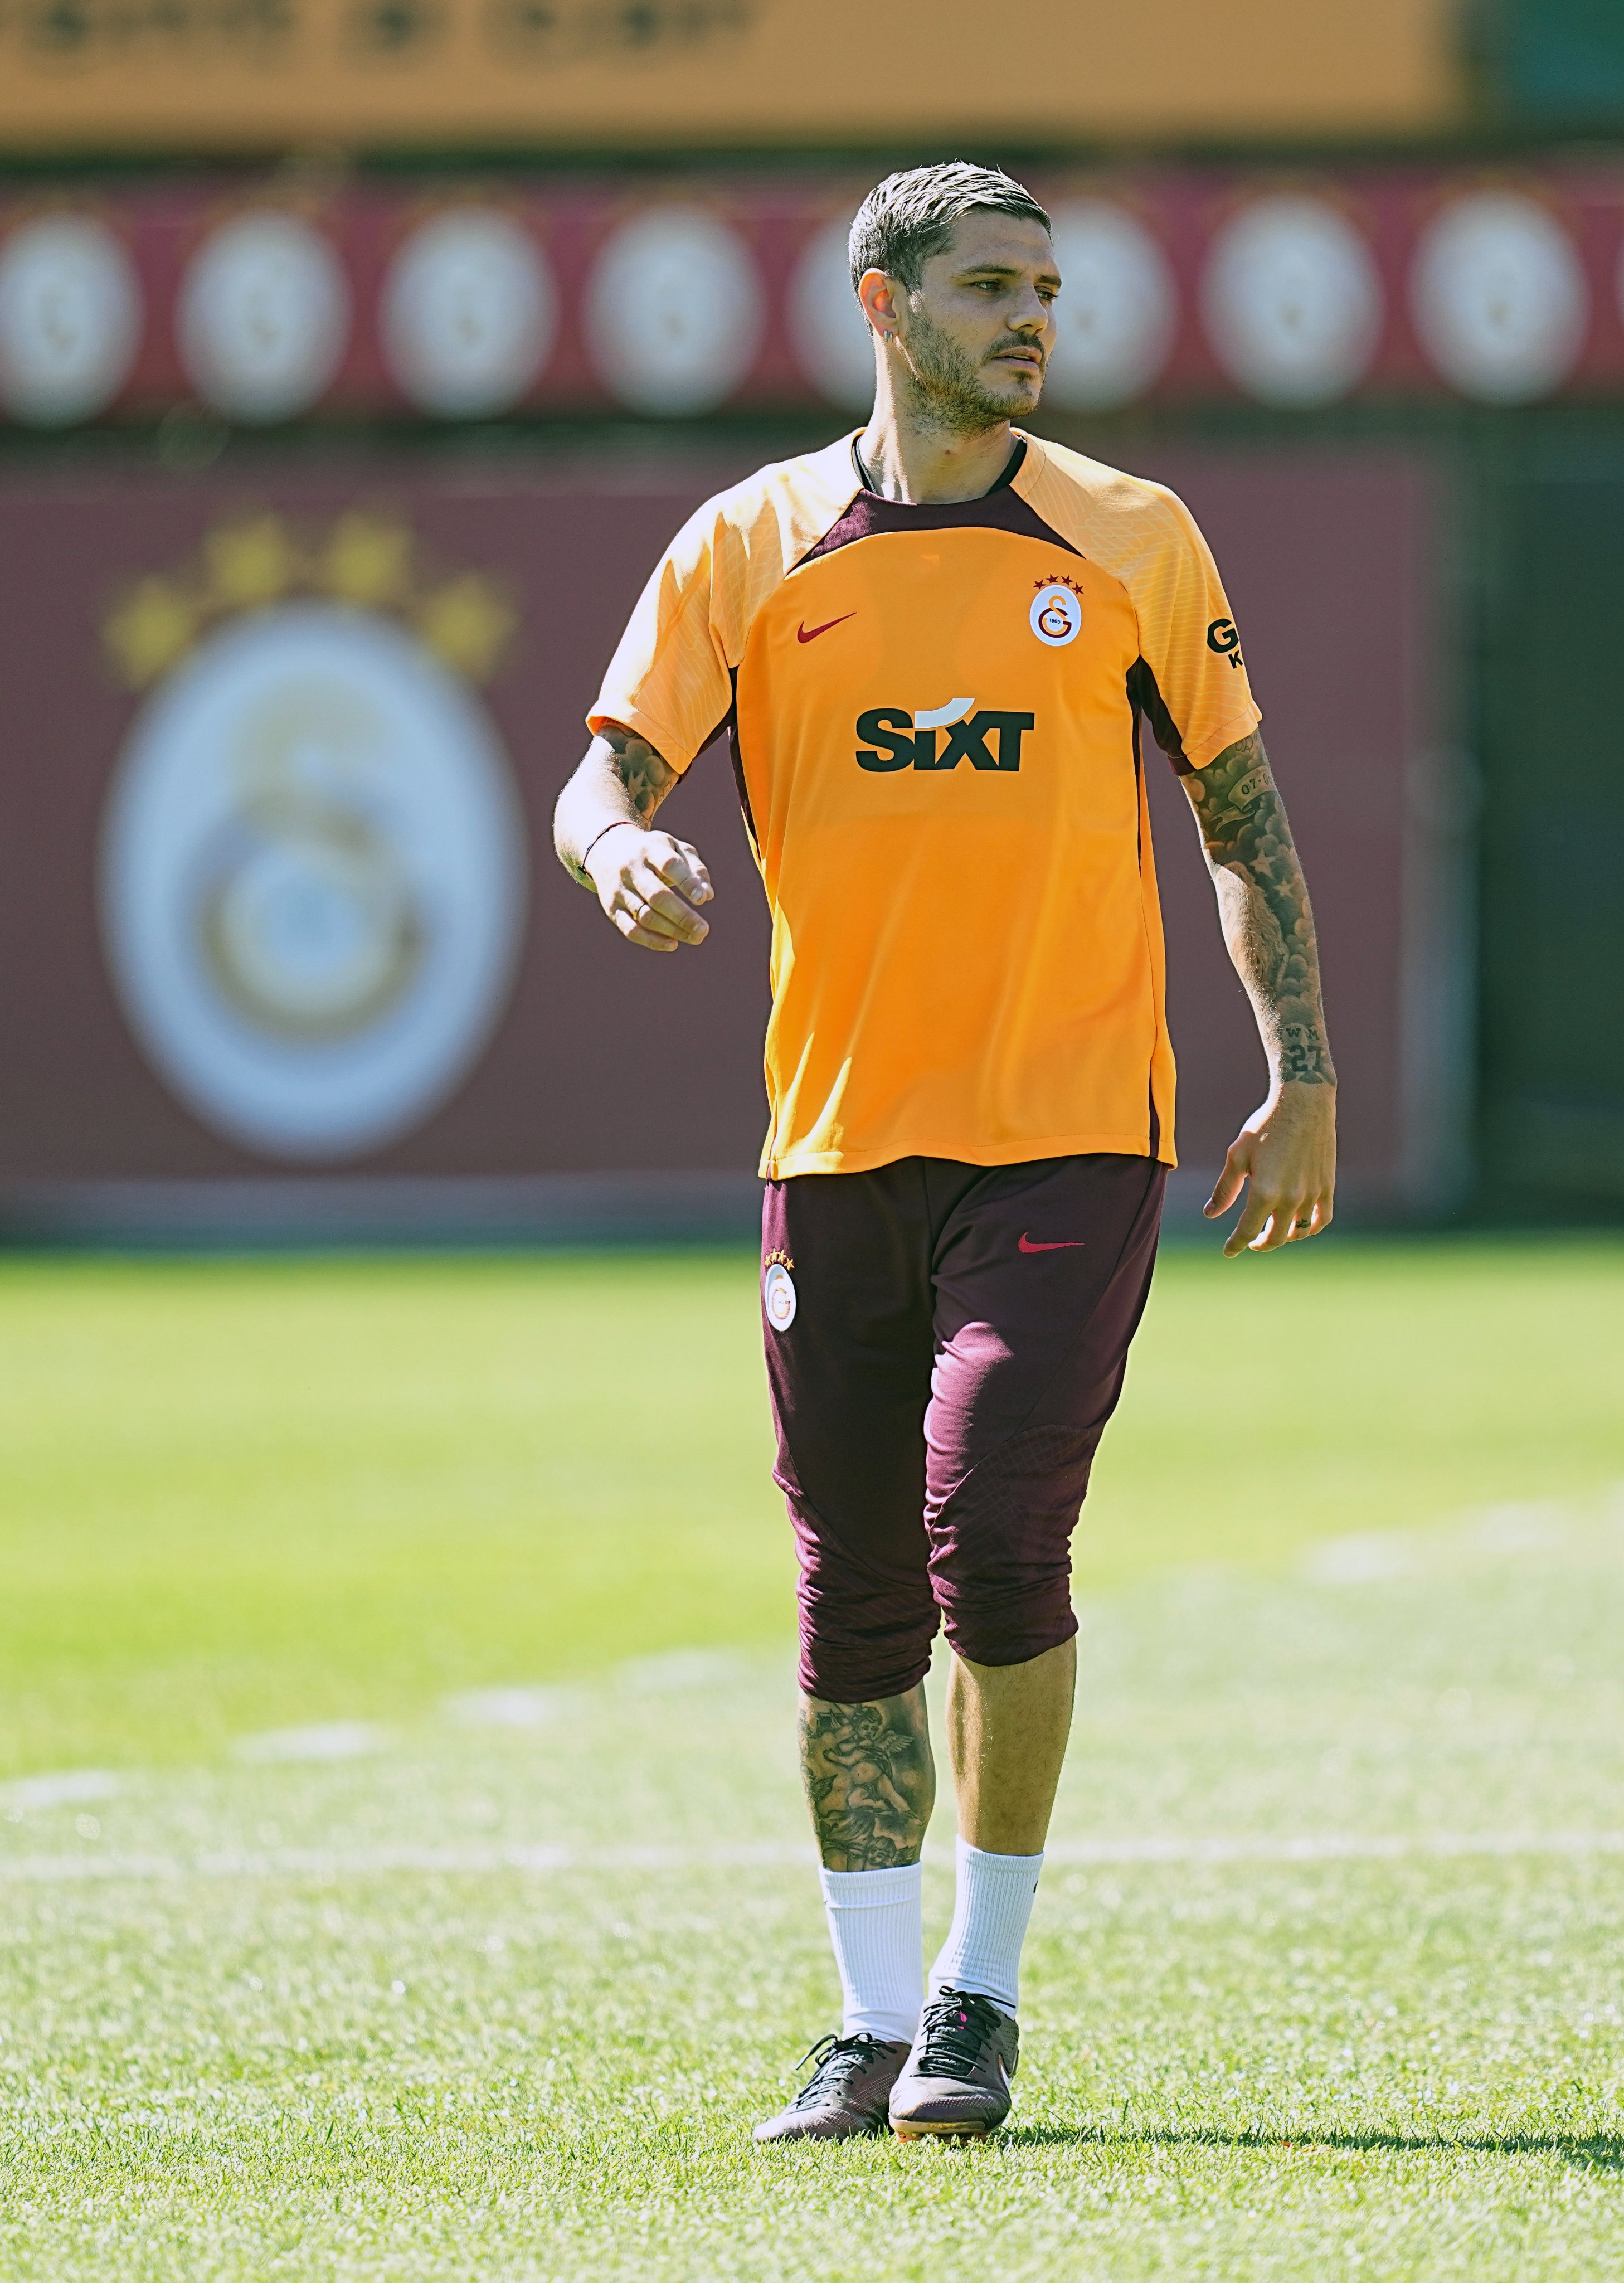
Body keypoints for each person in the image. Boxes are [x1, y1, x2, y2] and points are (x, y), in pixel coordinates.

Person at [553, 161, 1336, 2143]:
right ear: (880, 303)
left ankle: (977, 1999)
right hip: (832, 1141)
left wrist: (1300, 1072)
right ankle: (868, 2020)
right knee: (850, 1599)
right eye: (989, 286)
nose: (1030, 322)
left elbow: (1239, 814)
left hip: (1073, 1131)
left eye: (1045, 290)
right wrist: (616, 846)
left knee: (989, 1533)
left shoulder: (1131, 536)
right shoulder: (747, 544)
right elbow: (600, 775)